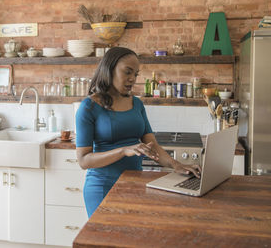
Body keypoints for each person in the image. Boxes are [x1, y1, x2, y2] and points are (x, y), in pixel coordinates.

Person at [75, 47, 201, 217]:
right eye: (127, 72)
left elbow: (152, 145)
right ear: (109, 69)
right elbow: (84, 160)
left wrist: (176, 165)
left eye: (136, 74)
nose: (132, 79)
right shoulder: (88, 107)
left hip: (135, 184)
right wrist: (123, 150)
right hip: (102, 188)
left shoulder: (137, 104)